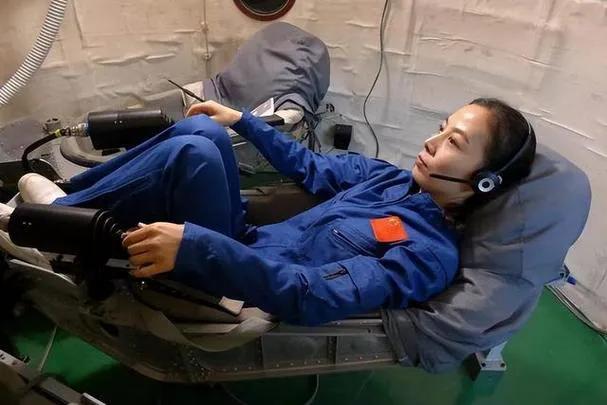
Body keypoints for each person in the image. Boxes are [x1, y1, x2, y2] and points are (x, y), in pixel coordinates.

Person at [0, 98, 535, 326]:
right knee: (204, 130)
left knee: (191, 154)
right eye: (440, 128)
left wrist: (196, 246)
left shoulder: (428, 255)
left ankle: (50, 221)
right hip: (246, 241)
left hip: (240, 282)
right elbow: (313, 167)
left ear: (484, 179)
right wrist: (242, 121)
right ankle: (66, 203)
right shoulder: (393, 182)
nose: (431, 142)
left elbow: (314, 294)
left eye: (453, 142)